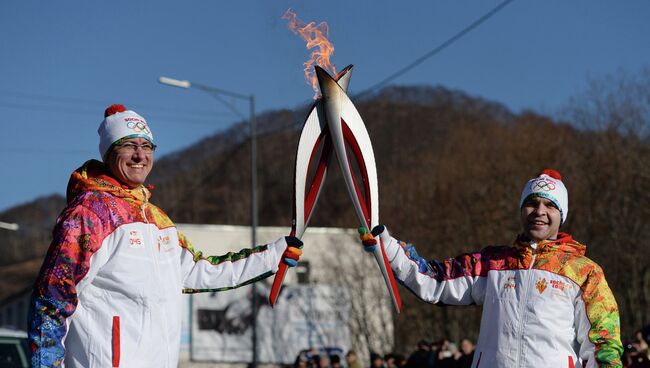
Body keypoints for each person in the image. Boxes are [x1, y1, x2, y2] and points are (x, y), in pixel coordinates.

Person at [28, 104, 303, 367]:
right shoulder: (91, 215)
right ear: (109, 153)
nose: (139, 155)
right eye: (128, 145)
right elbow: (51, 299)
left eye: (146, 146)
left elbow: (202, 271)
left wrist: (273, 255)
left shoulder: (158, 221)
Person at [360, 169, 623, 367]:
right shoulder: (492, 263)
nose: (539, 211)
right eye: (532, 203)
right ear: (522, 210)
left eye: (550, 205)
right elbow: (435, 281)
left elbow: (604, 342)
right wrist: (388, 247)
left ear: (561, 215)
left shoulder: (583, 272)